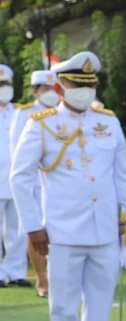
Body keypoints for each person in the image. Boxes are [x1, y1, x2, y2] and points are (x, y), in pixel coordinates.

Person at [10, 51, 126, 321]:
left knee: (100, 308)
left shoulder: (108, 121)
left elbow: (121, 174)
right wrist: (33, 225)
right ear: (61, 87)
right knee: (63, 310)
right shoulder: (42, 124)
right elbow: (20, 177)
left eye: (90, 85)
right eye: (78, 85)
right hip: (63, 232)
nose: (85, 91)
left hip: (105, 230)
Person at [9, 69, 60, 296]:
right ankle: (42, 279)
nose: (50, 92)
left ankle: (59, 276)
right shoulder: (25, 113)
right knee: (35, 229)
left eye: (53, 88)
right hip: (34, 183)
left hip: (57, 183)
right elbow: (16, 150)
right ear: (35, 91)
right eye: (45, 88)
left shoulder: (61, 111)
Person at [0, 64, 31, 289]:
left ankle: (16, 271)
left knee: (17, 230)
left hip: (16, 180)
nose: (4, 88)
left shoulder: (21, 112)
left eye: (7, 84)